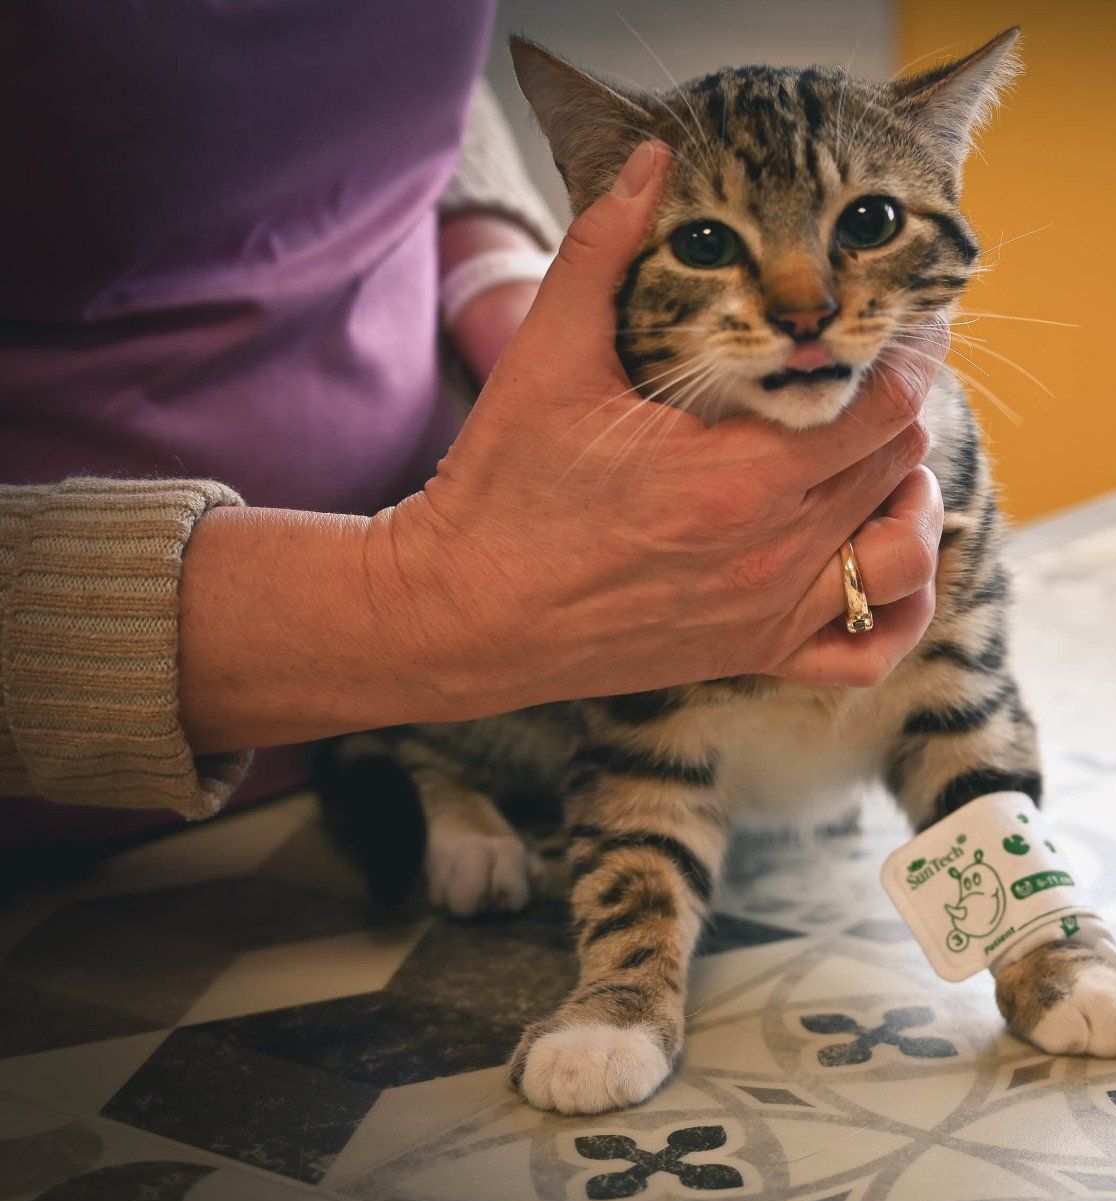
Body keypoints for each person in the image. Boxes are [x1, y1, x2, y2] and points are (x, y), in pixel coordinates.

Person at [0, 4, 943, 861]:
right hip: (59, 791)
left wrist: (498, 274)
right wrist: (419, 604)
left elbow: (393, 92)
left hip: (437, 558)